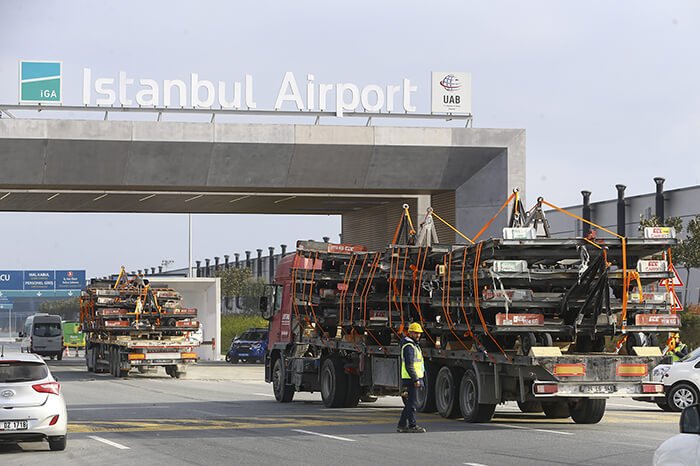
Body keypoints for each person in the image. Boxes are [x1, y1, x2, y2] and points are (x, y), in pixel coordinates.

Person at [397, 322, 427, 433]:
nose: (418, 335)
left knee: (410, 404)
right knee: (412, 404)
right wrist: (415, 379)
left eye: (419, 333)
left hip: (412, 378)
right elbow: (409, 365)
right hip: (410, 379)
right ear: (410, 333)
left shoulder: (413, 345)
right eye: (415, 333)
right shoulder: (409, 346)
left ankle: (402, 425)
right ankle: (412, 425)